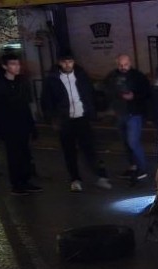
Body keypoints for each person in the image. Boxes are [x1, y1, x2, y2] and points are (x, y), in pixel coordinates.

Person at [41, 52, 112, 192]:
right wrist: (53, 119)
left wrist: (93, 111)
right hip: (65, 120)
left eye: (70, 61)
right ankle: (75, 179)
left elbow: (89, 94)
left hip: (82, 118)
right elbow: (47, 101)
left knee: (90, 149)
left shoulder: (81, 76)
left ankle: (100, 176)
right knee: (69, 151)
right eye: (64, 62)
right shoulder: (52, 79)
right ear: (59, 63)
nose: (67, 65)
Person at [0, 53, 40, 196]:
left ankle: (26, 181)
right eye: (13, 64)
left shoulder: (21, 83)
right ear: (5, 66)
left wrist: (32, 127)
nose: (17, 67)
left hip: (23, 124)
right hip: (9, 126)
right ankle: (16, 184)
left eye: (17, 64)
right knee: (14, 156)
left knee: (25, 154)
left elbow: (26, 106)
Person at [104, 54, 151, 181]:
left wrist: (134, 96)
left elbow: (146, 93)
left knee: (133, 142)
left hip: (133, 114)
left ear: (130, 63)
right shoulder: (112, 76)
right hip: (120, 114)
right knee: (126, 143)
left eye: (125, 65)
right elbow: (107, 91)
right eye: (120, 65)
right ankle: (133, 166)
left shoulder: (138, 76)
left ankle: (142, 168)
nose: (123, 67)